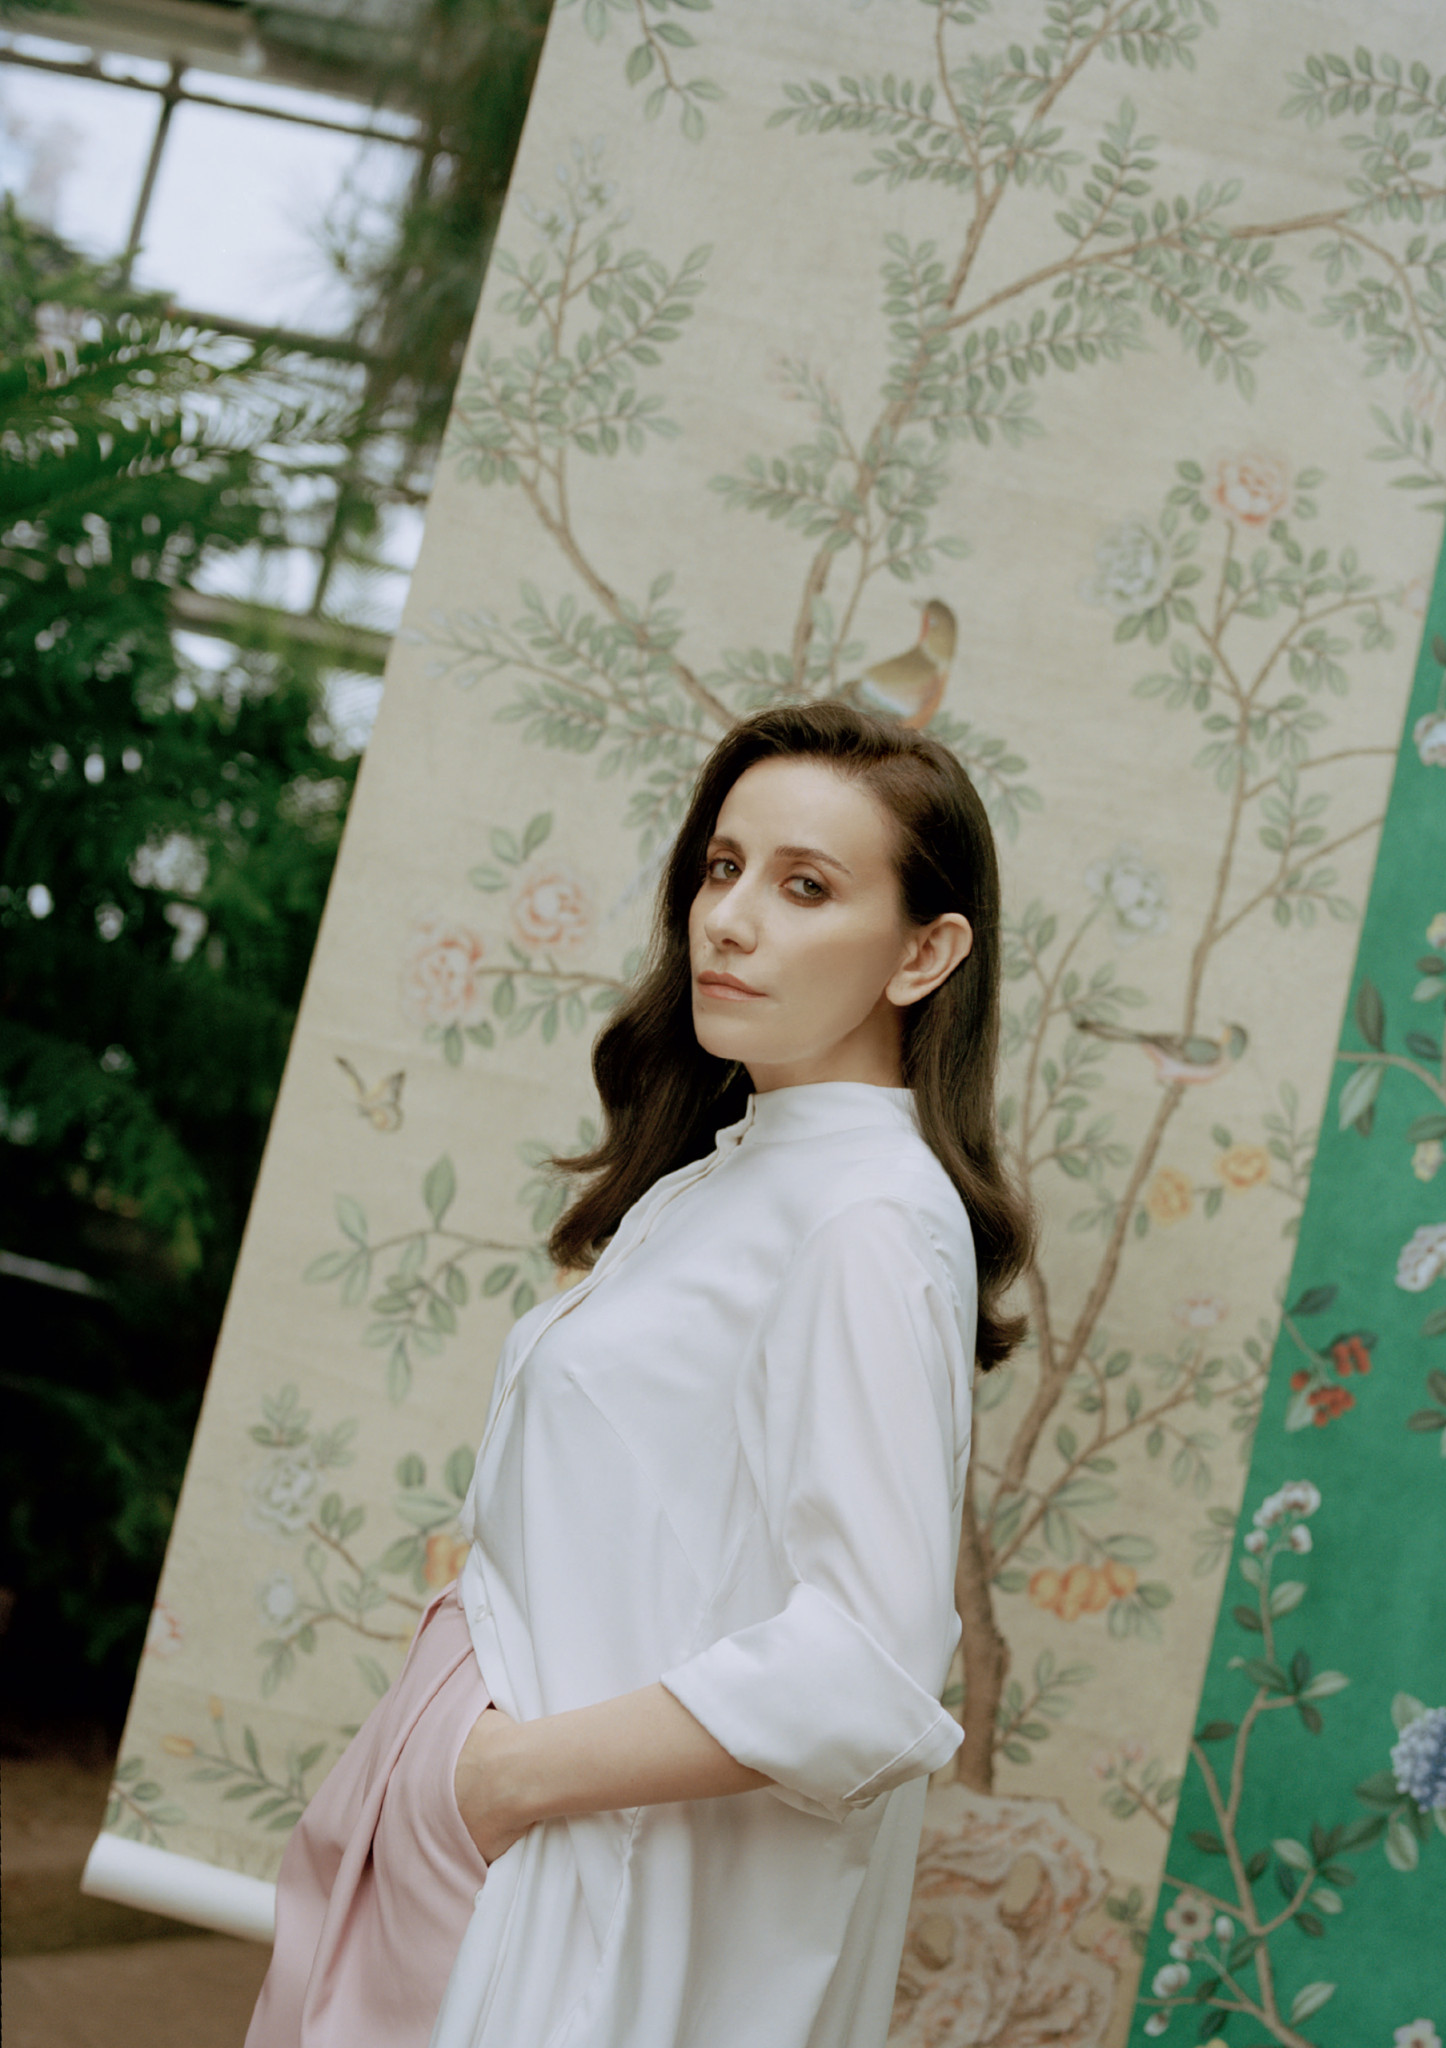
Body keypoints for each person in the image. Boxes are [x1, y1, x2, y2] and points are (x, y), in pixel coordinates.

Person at [245, 700, 1034, 2048]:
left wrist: (500, 1778)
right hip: (497, 1853)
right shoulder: (737, 1173)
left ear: (924, 951)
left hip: (569, 1880)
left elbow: (865, 1667)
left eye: (805, 887)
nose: (728, 919)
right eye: (723, 868)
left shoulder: (864, 1215)